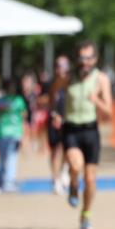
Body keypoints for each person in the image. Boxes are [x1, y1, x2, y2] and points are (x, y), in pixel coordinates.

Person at [54, 40, 112, 229]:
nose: (85, 61)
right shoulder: (67, 77)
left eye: (89, 58)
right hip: (71, 129)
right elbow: (53, 92)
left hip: (90, 131)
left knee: (90, 179)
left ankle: (86, 214)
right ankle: (72, 185)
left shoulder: (101, 79)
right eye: (81, 58)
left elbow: (109, 111)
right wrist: (55, 112)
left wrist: (96, 100)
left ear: (95, 59)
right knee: (75, 165)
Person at [0, 77, 28, 192]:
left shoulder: (0, 101)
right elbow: (24, 116)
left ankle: (0, 180)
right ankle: (8, 181)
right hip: (12, 133)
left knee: (3, 157)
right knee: (11, 157)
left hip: (4, 132)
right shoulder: (18, 100)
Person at [44, 55, 71, 194]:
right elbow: (46, 102)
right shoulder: (50, 83)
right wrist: (54, 115)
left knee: (68, 150)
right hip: (54, 121)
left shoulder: (71, 83)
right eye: (58, 65)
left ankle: (64, 171)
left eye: (63, 65)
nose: (61, 68)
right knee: (55, 150)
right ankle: (55, 179)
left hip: (68, 120)